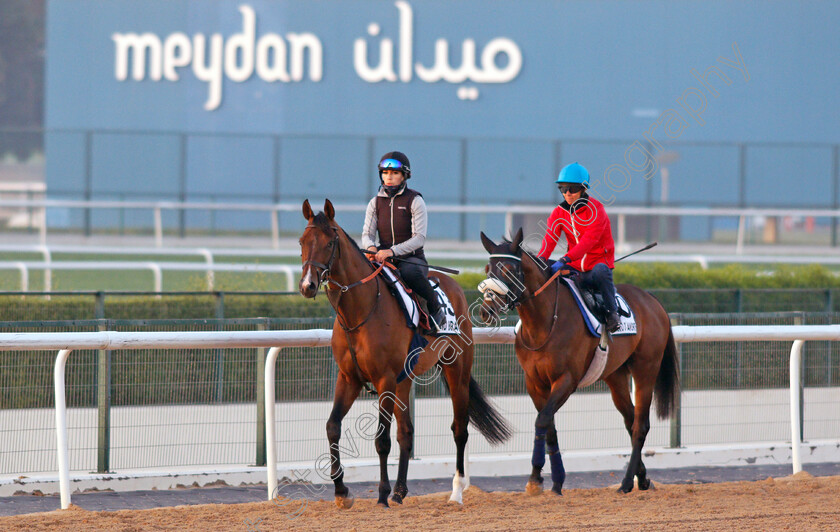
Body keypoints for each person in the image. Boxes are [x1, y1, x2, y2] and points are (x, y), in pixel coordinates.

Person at [362, 151, 447, 331]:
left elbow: (419, 239)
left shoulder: (415, 200)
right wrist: (370, 248)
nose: (389, 177)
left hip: (411, 259)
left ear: (404, 175)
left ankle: (435, 308)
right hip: (381, 258)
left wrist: (391, 251)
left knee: (410, 273)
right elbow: (367, 234)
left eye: (394, 173)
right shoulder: (374, 203)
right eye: (385, 173)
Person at [537, 162, 620, 333]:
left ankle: (613, 314)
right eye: (563, 188)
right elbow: (550, 239)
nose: (567, 193)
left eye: (572, 188)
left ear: (583, 188)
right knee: (541, 268)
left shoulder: (597, 210)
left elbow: (589, 241)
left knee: (601, 271)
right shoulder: (558, 213)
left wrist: (566, 258)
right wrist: (540, 260)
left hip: (595, 270)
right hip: (574, 269)